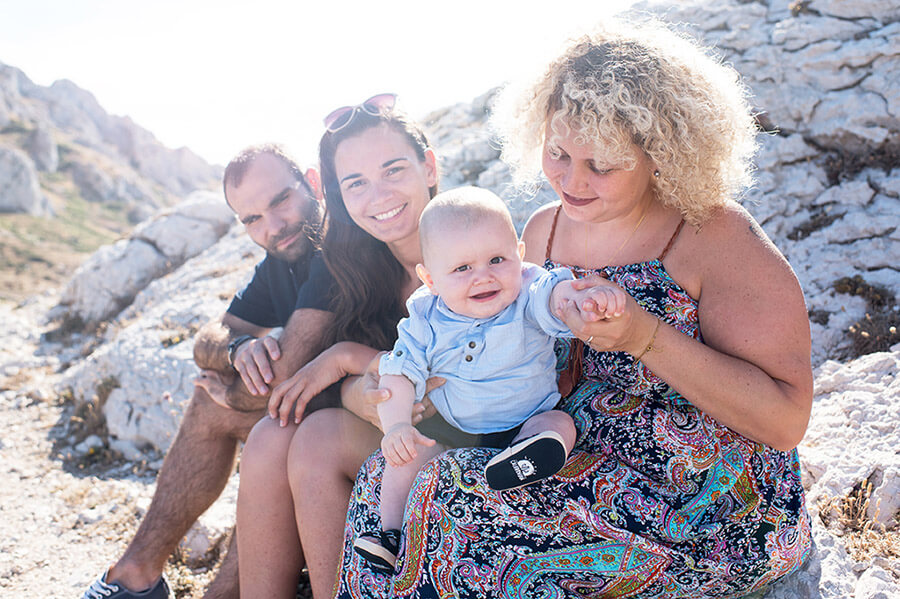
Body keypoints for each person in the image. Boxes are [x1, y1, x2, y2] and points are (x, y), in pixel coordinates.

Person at [327, 17, 814, 598]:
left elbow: (786, 420)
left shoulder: (715, 236)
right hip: (565, 452)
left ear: (661, 152)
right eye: (557, 153)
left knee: (458, 516)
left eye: (601, 165)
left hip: (700, 500)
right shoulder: (541, 230)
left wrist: (645, 337)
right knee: (397, 478)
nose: (571, 181)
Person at [81, 144, 337, 599]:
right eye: (252, 219)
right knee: (225, 409)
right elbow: (210, 337)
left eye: (280, 201)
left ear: (313, 183)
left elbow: (278, 383)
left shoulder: (337, 247)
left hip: (372, 428)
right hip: (310, 413)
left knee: (272, 432)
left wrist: (233, 396)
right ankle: (135, 574)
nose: (272, 227)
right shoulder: (282, 259)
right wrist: (238, 348)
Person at [350, 186, 630, 571]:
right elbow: (399, 373)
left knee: (559, 423)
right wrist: (396, 425)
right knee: (405, 458)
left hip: (527, 416)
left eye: (497, 259)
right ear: (430, 279)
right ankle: (389, 533)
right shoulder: (425, 316)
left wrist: (580, 300)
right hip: (453, 430)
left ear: (519, 254)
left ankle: (529, 457)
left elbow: (556, 296)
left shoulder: (528, 291)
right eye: (462, 269)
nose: (483, 277)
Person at [234, 95, 443, 598]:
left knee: (320, 437)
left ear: (429, 167)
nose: (378, 195)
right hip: (408, 438)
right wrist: (352, 386)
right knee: (270, 436)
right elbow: (332, 386)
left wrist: (347, 360)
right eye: (355, 183)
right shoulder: (358, 263)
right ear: (339, 196)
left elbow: (443, 387)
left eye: (393, 170)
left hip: (476, 439)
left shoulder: (469, 240)